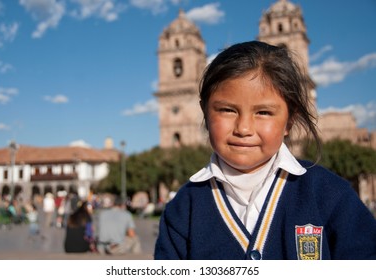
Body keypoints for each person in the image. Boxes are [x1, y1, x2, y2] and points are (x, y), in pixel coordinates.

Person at [154, 41, 376, 260]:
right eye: (227, 110)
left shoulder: (331, 195)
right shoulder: (183, 209)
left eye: (264, 113)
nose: (243, 128)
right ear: (204, 111)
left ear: (289, 121)